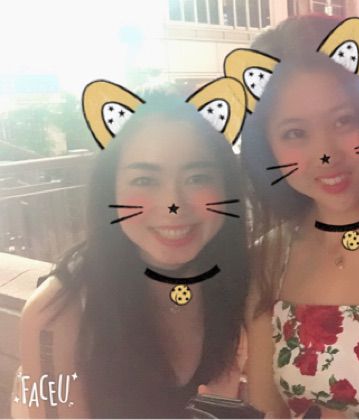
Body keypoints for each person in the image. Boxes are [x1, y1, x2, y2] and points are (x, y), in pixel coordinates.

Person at [15, 89, 249, 418]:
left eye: (197, 178)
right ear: (110, 191)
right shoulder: (54, 312)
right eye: (144, 180)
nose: (173, 204)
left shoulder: (245, 283)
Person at [241, 15, 359, 419]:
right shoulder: (268, 258)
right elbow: (266, 411)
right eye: (294, 133)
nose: (326, 154)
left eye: (344, 120)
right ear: (266, 145)